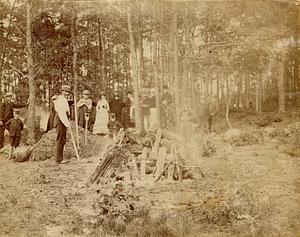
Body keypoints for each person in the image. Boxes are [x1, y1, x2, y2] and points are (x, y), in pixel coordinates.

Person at [53, 85, 71, 163]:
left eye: (68, 92)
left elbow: (66, 112)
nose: (67, 93)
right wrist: (67, 124)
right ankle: (58, 159)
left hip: (63, 120)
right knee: (60, 139)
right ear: (62, 91)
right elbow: (61, 113)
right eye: (65, 91)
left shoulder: (64, 100)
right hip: (60, 120)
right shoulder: (60, 100)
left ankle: (60, 158)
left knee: (63, 140)